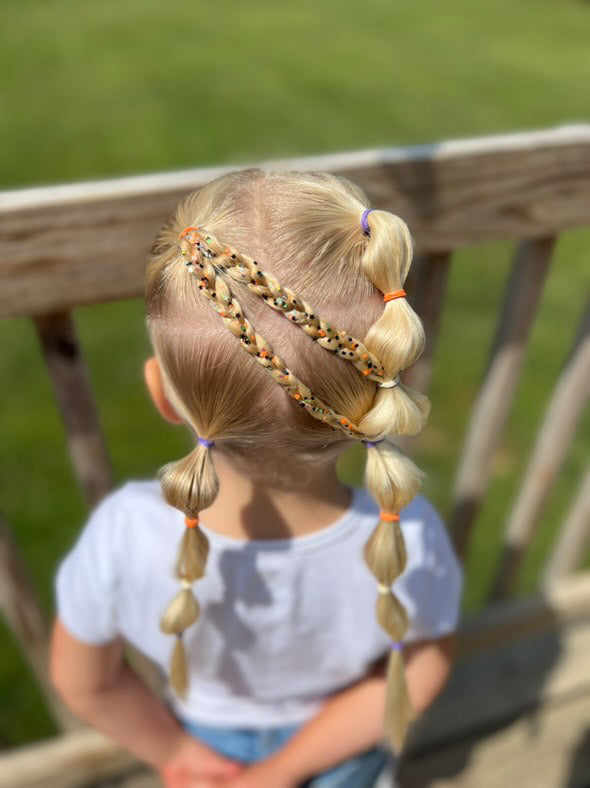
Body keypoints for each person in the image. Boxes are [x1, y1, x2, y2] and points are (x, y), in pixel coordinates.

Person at [50, 169, 462, 788]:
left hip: (208, 758)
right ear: (370, 403)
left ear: (163, 395)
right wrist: (283, 772)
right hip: (341, 756)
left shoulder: (122, 533)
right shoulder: (408, 532)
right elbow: (424, 664)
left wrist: (177, 756)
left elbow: (85, 681)